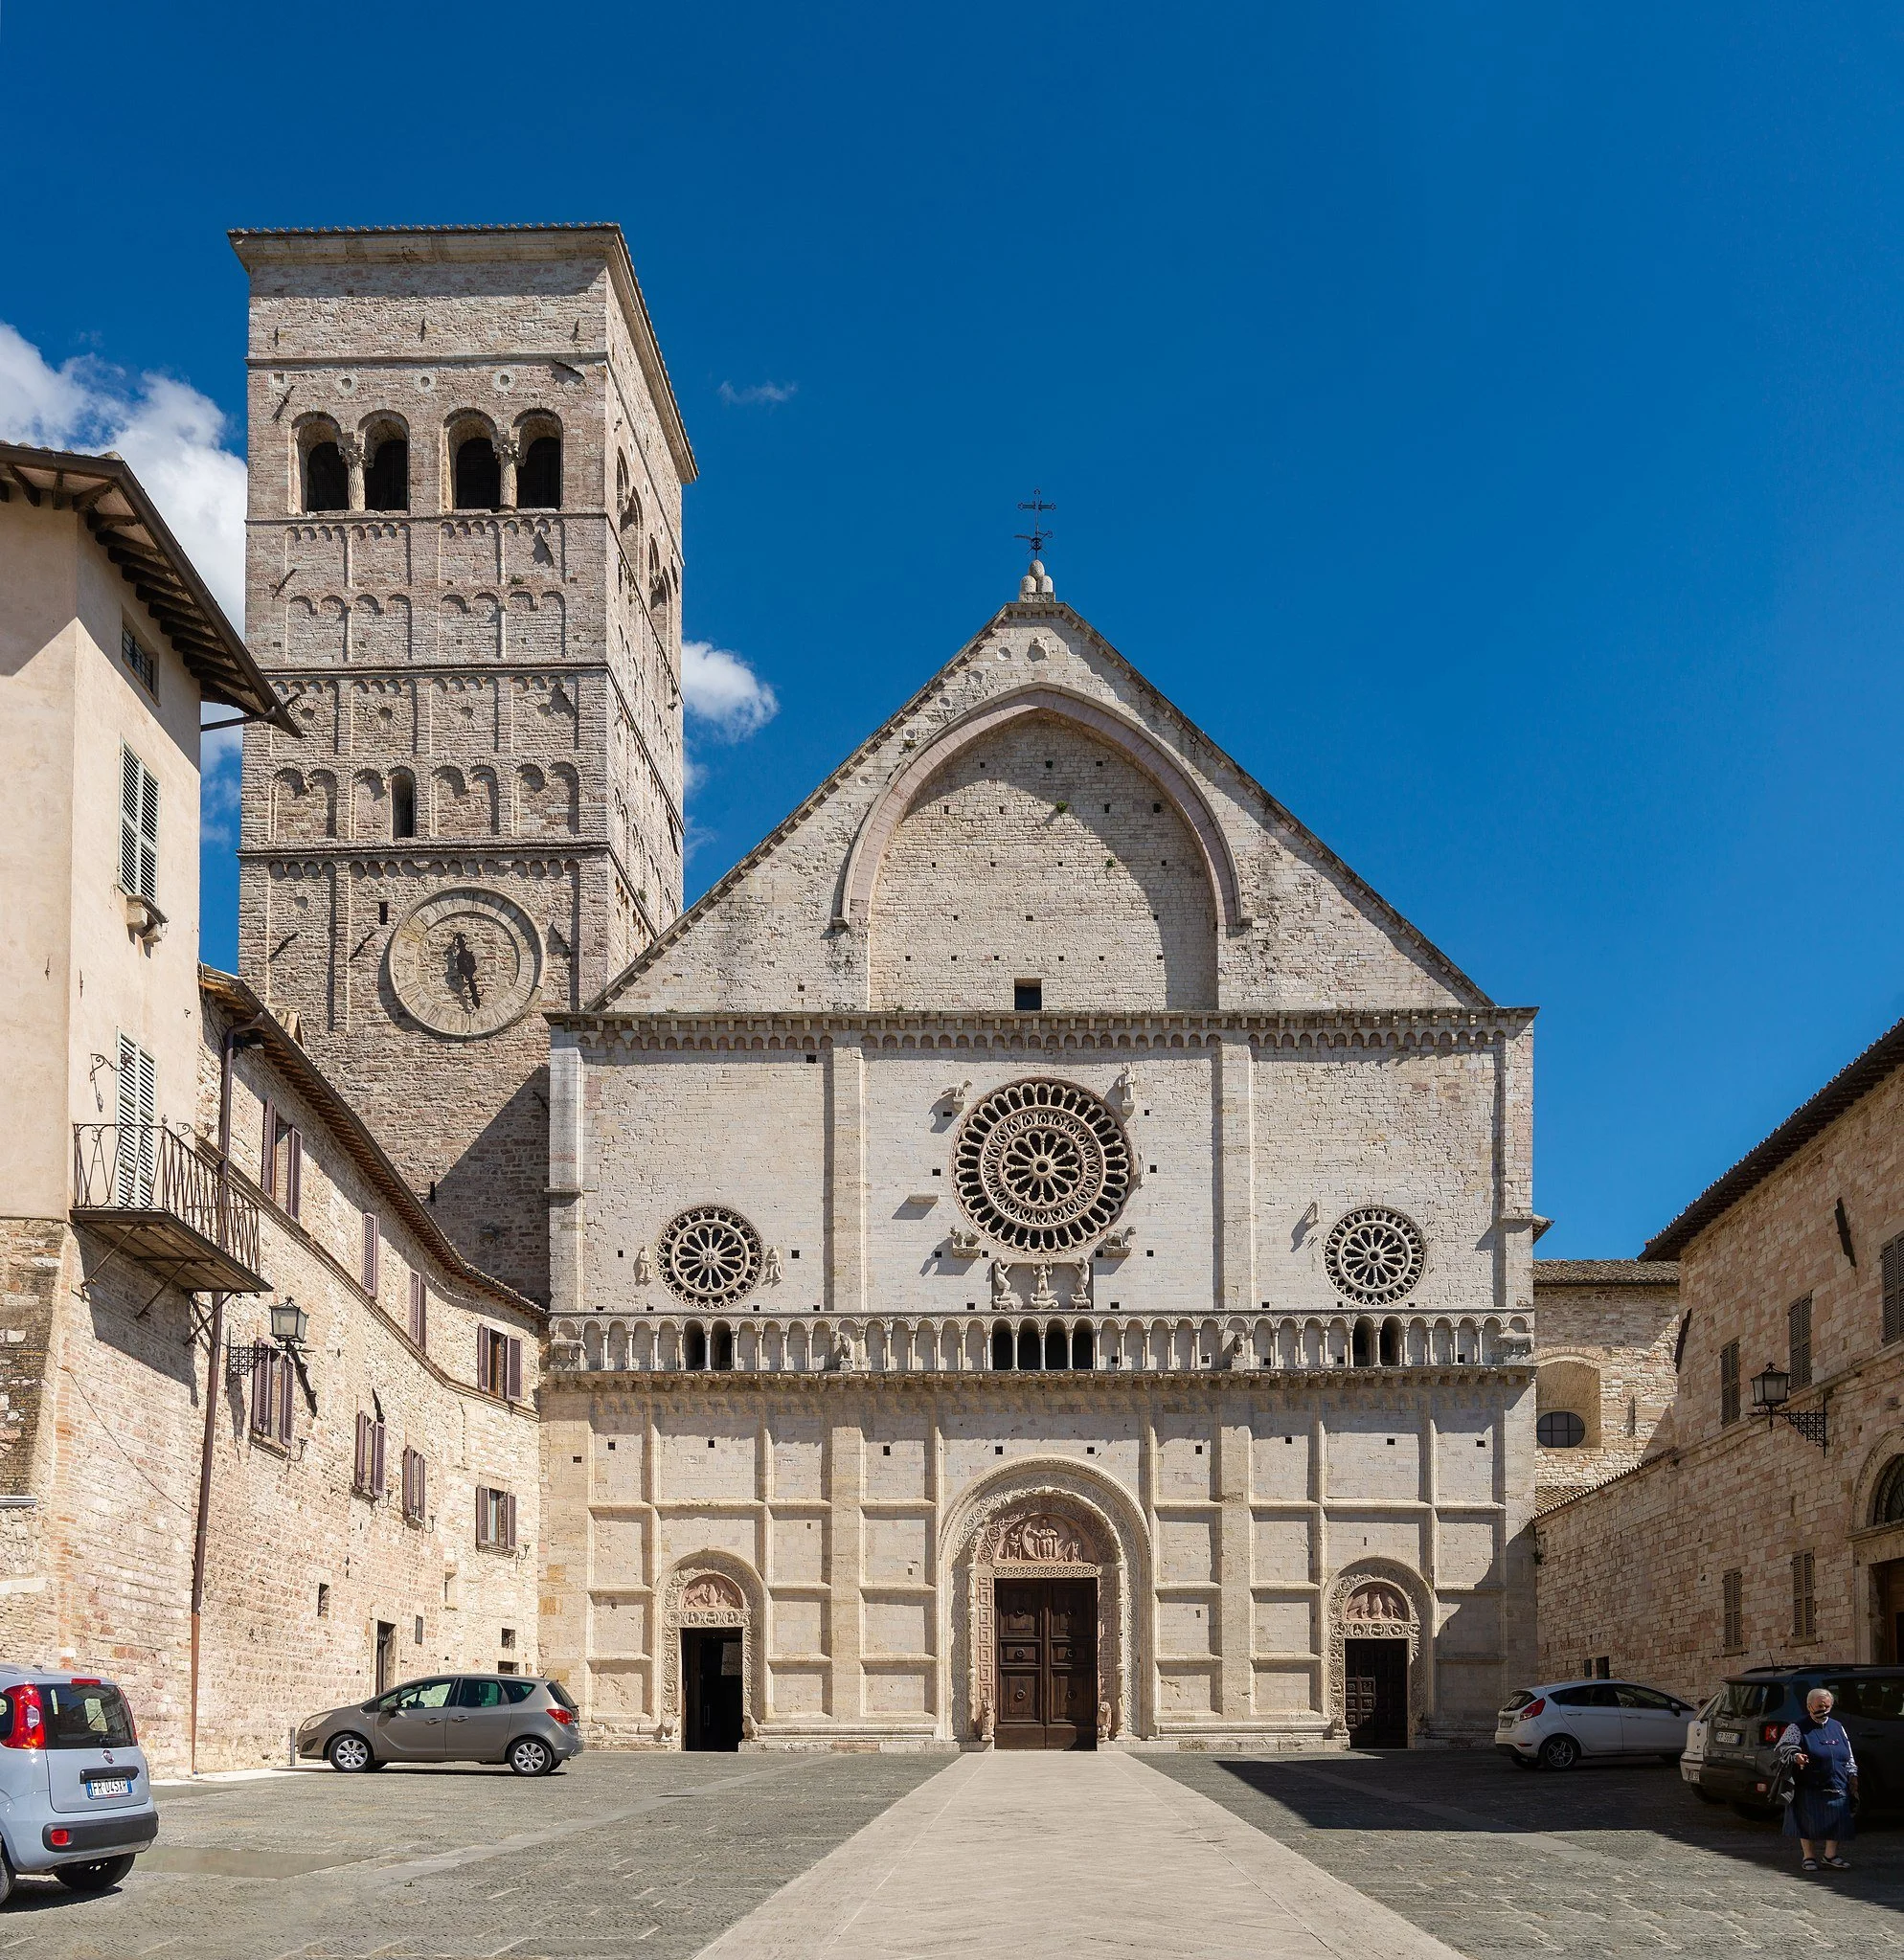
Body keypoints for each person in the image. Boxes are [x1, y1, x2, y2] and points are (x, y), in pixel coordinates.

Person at [1776, 1686, 1858, 1872]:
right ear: (1809, 1706)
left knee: (1837, 1820)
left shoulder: (1838, 1726)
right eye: (1820, 1705)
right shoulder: (1797, 1727)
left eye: (1827, 1706)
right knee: (1807, 1821)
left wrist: (1853, 1773)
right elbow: (1784, 1747)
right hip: (1809, 1783)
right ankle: (1809, 1856)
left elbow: (1849, 1752)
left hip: (1837, 1780)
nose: (1824, 1709)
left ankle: (1830, 1855)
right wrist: (1796, 1756)